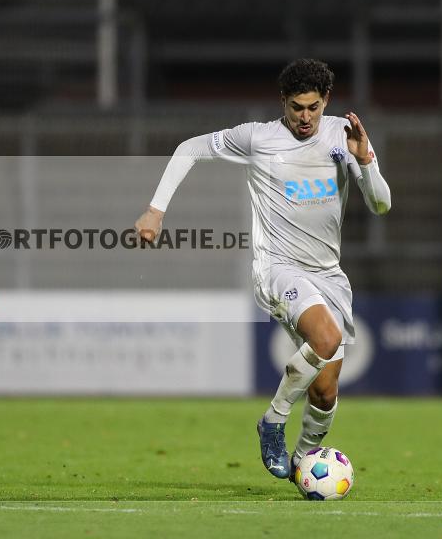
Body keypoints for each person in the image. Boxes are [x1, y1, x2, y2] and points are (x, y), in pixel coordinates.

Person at [134, 59, 391, 481]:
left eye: (312, 107)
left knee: (325, 392)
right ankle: (273, 421)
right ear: (283, 103)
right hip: (278, 268)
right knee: (325, 337)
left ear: (326, 100)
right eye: (296, 108)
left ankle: (302, 464)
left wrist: (364, 161)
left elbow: (381, 204)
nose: (305, 117)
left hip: (329, 274)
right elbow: (190, 148)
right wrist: (155, 210)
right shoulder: (257, 138)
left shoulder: (343, 137)